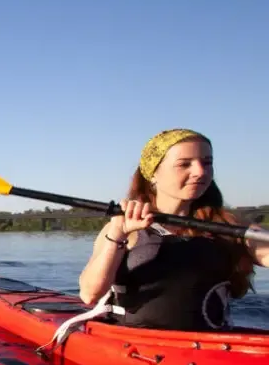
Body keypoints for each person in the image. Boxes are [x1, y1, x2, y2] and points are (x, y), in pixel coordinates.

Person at [78, 129, 267, 331]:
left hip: (212, 346)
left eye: (207, 162)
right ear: (153, 174)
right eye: (184, 164)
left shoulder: (231, 226)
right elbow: (90, 294)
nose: (200, 171)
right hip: (136, 347)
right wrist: (118, 233)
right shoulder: (122, 229)